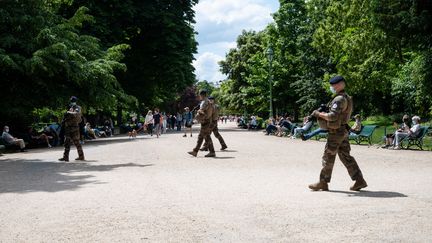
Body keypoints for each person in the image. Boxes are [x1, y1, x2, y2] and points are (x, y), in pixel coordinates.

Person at [308, 75, 367, 191]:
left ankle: (323, 182)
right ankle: (359, 180)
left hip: (336, 132)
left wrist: (318, 114)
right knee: (345, 156)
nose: (331, 87)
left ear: (339, 84)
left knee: (328, 156)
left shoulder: (339, 99)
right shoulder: (346, 97)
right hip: (343, 130)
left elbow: (332, 116)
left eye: (333, 85)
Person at [188, 89, 215, 157]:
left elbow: (201, 113)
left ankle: (209, 152)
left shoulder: (204, 102)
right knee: (204, 137)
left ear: (201, 95)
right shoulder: (208, 102)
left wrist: (194, 121)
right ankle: (196, 151)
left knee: (204, 137)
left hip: (205, 121)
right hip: (208, 120)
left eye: (199, 95)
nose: (199, 96)